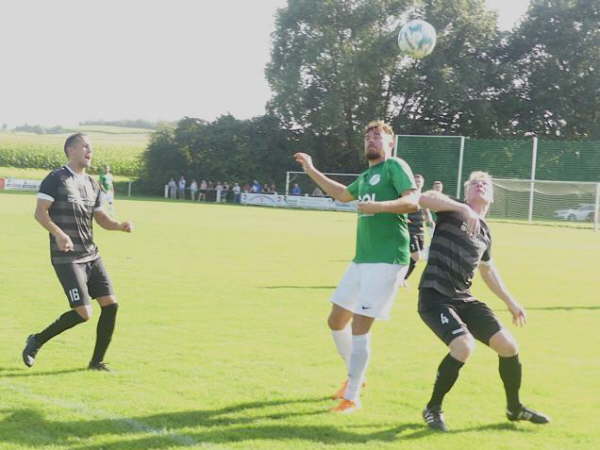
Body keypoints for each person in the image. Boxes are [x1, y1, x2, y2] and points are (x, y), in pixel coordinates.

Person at [295, 120, 426, 414]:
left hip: (387, 258)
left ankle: (352, 396)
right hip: (361, 260)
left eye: (378, 136)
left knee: (359, 327)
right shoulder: (367, 175)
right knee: (335, 321)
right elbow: (342, 195)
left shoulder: (395, 167)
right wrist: (311, 170)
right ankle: (357, 377)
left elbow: (412, 201)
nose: (371, 140)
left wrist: (378, 207)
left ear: (390, 143)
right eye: (368, 136)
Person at [417, 171, 550, 432]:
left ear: (491, 196)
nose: (480, 185)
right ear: (466, 193)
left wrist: (511, 302)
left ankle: (514, 408)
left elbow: (487, 270)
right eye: (475, 183)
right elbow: (424, 198)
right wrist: (463, 209)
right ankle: (432, 408)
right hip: (435, 296)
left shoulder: (485, 233)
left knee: (508, 346)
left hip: (463, 298)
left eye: (485, 184)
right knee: (463, 346)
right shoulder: (452, 209)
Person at [22, 133, 133, 372]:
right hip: (67, 257)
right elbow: (40, 212)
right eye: (85, 147)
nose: (89, 151)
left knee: (111, 305)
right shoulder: (56, 178)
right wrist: (59, 234)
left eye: (91, 148)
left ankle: (96, 362)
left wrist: (119, 226)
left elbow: (101, 218)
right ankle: (36, 340)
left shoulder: (93, 183)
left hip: (91, 255)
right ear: (70, 149)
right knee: (84, 313)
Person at [404, 174, 434, 282]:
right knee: (416, 256)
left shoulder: (423, 197)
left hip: (420, 230)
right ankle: (403, 278)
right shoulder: (407, 195)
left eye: (420, 181)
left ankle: (402, 276)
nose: (418, 183)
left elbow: (426, 211)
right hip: (410, 229)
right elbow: (401, 208)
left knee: (418, 256)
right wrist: (404, 218)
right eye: (416, 181)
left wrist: (430, 221)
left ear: (423, 183)